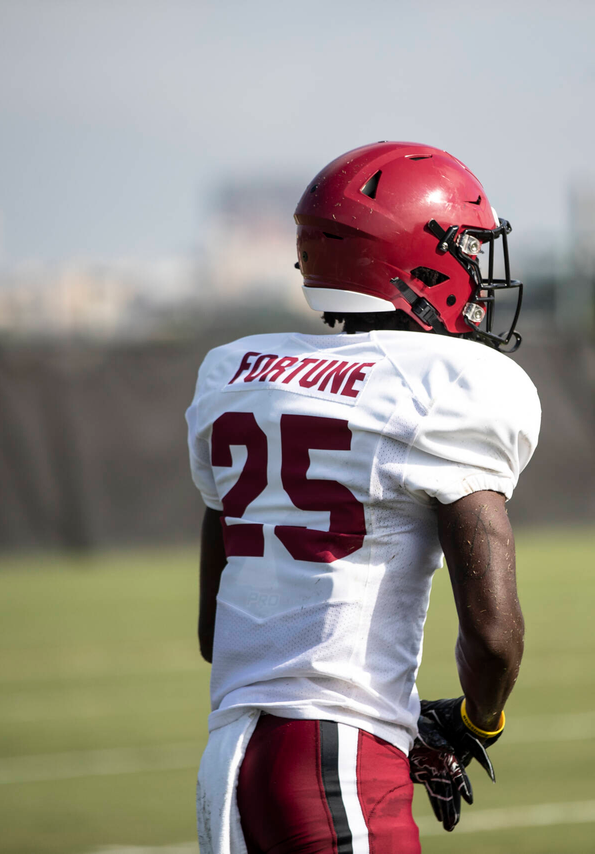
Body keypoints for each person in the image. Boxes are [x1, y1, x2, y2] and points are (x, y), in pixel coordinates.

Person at [187, 140, 540, 854]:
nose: (476, 275)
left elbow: (211, 630)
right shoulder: (441, 383)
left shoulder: (239, 374)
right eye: (466, 253)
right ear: (417, 257)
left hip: (231, 761)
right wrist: (476, 722)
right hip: (335, 759)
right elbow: (495, 636)